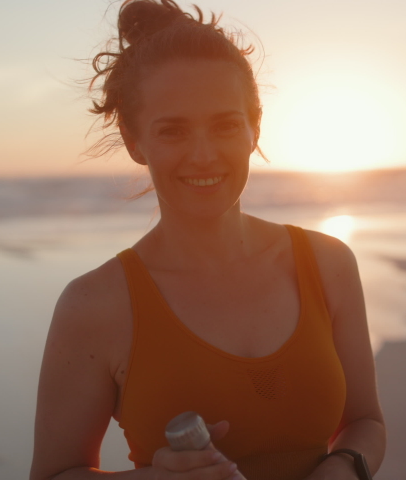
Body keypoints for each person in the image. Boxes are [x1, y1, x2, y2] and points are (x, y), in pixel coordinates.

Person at [30, 1, 385, 479]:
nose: (203, 155)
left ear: (254, 127)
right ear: (135, 141)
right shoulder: (94, 304)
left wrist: (342, 468)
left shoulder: (327, 264)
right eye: (173, 130)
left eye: (225, 125)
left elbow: (365, 422)